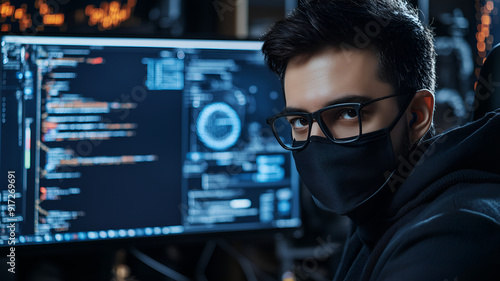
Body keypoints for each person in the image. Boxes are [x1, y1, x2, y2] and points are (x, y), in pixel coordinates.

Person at [261, 0, 500, 280]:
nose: (317, 143)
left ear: (416, 115)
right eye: (301, 121)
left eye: (348, 113)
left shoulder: (448, 241)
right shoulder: (380, 210)